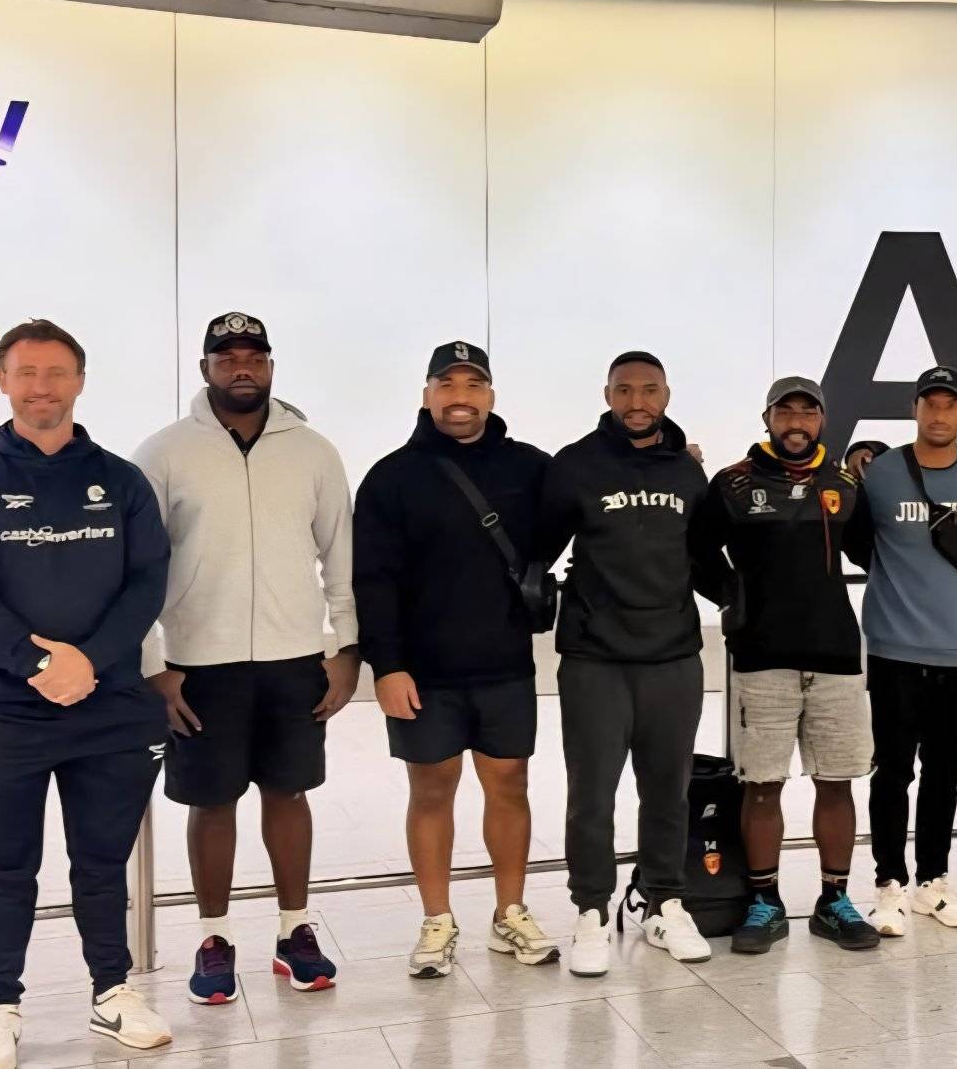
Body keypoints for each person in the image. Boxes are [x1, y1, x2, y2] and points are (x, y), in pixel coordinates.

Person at [0, 320, 174, 1069]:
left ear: (80, 382)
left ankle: (112, 991)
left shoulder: (121, 483)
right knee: (6, 869)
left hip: (110, 707)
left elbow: (147, 582)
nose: (42, 387)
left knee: (102, 864)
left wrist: (88, 663)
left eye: (57, 373)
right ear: (3, 381)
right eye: (28, 372)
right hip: (4, 713)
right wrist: (39, 663)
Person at [133, 312, 359, 1004]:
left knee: (289, 792)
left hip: (296, 659)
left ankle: (295, 932)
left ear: (270, 366)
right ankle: (214, 939)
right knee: (212, 801)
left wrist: (346, 647)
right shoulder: (164, 453)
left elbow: (340, 556)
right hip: (200, 664)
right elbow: (137, 567)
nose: (241, 367)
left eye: (253, 357)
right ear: (204, 368)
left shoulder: (313, 452)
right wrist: (152, 663)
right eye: (226, 356)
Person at [353, 341, 560, 978]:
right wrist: (386, 667)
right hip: (423, 672)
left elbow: (584, 507)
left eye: (473, 385)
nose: (460, 397)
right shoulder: (391, 477)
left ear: (490, 396)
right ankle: (437, 919)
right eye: (447, 385)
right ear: (427, 395)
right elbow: (373, 580)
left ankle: (510, 912)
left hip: (505, 664)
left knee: (510, 786)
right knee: (431, 790)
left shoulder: (532, 468)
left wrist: (680, 461)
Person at [538, 351, 727, 976]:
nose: (637, 402)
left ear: (666, 396)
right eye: (625, 390)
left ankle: (663, 902)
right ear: (608, 395)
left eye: (649, 390)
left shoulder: (687, 473)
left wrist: (747, 603)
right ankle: (591, 910)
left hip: (672, 657)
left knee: (668, 791)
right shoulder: (575, 465)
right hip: (595, 659)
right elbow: (537, 552)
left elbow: (704, 559)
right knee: (591, 795)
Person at [704, 376, 879, 954]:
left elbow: (871, 551)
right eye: (786, 412)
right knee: (761, 786)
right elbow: (696, 551)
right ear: (768, 419)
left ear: (822, 421)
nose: (796, 422)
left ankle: (834, 902)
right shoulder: (733, 483)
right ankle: (764, 902)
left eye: (808, 412)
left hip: (835, 656)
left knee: (837, 783)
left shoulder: (845, 485)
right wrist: (731, 596)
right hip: (761, 658)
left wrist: (875, 474)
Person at [856, 367, 957, 935]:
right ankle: (889, 883)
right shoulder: (882, 471)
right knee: (892, 771)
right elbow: (859, 540)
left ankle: (932, 881)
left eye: (949, 405)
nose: (938, 414)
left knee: (945, 773)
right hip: (893, 645)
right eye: (929, 404)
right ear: (914, 410)